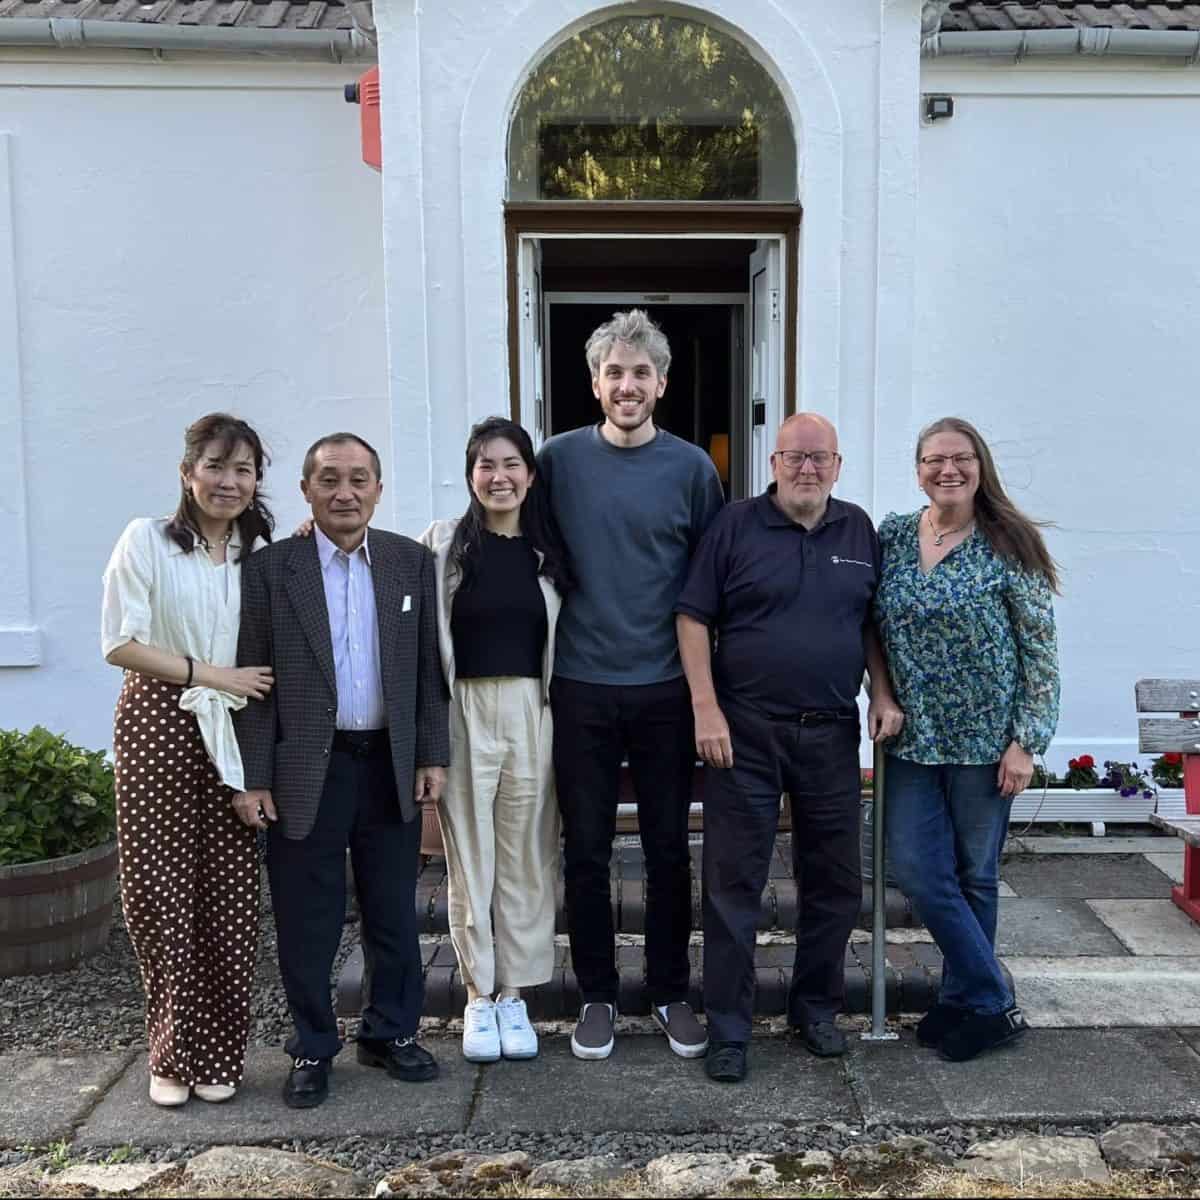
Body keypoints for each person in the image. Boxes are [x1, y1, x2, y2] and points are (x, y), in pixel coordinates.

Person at [676, 413, 904, 1084]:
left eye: (819, 458)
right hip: (743, 730)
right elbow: (693, 617)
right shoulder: (735, 526)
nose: (807, 468)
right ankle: (729, 1029)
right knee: (733, 883)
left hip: (831, 729)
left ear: (839, 466)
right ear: (772, 462)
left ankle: (814, 1009)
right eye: (794, 457)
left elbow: (869, 623)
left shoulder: (859, 530)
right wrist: (705, 707)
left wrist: (882, 694)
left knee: (835, 881)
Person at [234, 433, 449, 1109]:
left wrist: (432, 756)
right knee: (308, 918)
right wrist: (254, 776)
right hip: (306, 770)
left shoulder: (410, 563)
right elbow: (255, 681)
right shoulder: (273, 571)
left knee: (393, 911)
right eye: (329, 479)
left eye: (359, 479)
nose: (345, 492)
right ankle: (312, 1046)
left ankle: (390, 1033)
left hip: (388, 763)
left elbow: (426, 672)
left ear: (379, 489)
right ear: (306, 490)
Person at [537, 308, 724, 1061]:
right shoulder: (555, 460)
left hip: (664, 688)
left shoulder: (692, 470)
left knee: (666, 848)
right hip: (579, 684)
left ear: (662, 383)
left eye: (640, 372)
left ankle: (671, 989)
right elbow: (500, 525)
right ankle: (597, 995)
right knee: (584, 850)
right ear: (594, 383)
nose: (627, 385)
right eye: (614, 372)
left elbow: (714, 581)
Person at [101, 412, 276, 1107]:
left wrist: (231, 690)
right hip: (158, 719)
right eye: (216, 466)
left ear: (257, 479)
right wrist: (211, 674)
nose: (228, 481)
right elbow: (119, 642)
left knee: (229, 894)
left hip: (236, 729)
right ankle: (170, 1054)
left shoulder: (259, 554)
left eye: (243, 469)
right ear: (187, 473)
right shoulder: (146, 540)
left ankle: (220, 1055)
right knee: (159, 890)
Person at [874, 416, 1059, 1063]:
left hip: (987, 745)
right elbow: (869, 621)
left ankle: (963, 1002)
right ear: (917, 467)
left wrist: (1027, 743)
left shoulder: (1010, 543)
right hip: (913, 743)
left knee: (975, 878)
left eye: (960, 459)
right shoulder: (895, 535)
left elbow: (1040, 653)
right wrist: (882, 694)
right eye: (933, 460)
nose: (946, 470)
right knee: (921, 873)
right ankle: (991, 995)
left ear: (981, 468)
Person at [418, 417, 572, 1063]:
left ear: (530, 475)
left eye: (511, 464)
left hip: (531, 711)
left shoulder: (548, 552)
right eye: (486, 465)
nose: (499, 476)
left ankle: (516, 993)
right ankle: (480, 993)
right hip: (464, 710)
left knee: (528, 857)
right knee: (472, 857)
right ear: (470, 474)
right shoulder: (442, 545)